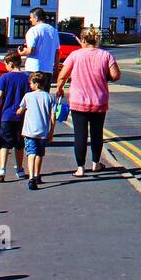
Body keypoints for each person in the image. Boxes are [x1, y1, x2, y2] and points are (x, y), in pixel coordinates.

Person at [55, 26, 121, 177]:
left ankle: (80, 168)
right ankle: (96, 164)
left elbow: (62, 76)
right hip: (99, 101)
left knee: (80, 135)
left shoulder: (75, 55)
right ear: (96, 39)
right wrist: (104, 77)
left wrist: (60, 88)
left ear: (83, 40)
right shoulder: (106, 55)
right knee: (97, 134)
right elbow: (116, 75)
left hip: (79, 101)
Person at [0, 51, 30, 182]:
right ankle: (20, 169)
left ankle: (2, 169)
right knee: (19, 144)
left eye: (5, 63)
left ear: (10, 63)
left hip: (6, 116)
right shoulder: (27, 78)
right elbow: (28, 98)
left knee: (4, 143)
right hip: (21, 116)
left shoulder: (4, 77)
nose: (5, 66)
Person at [15, 72, 56, 190]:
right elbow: (53, 116)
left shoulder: (28, 96)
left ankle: (31, 178)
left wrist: (18, 111)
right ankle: (38, 174)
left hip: (29, 131)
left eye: (31, 83)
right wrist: (51, 132)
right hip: (43, 131)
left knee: (31, 154)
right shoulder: (49, 97)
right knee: (40, 154)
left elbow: (20, 110)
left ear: (36, 84)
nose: (30, 85)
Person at [17, 7, 58, 86]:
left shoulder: (33, 30)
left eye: (31, 17)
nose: (30, 19)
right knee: (44, 94)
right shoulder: (53, 31)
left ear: (36, 18)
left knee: (32, 95)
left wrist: (21, 52)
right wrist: (56, 69)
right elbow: (57, 52)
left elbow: (31, 50)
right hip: (48, 69)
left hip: (33, 68)